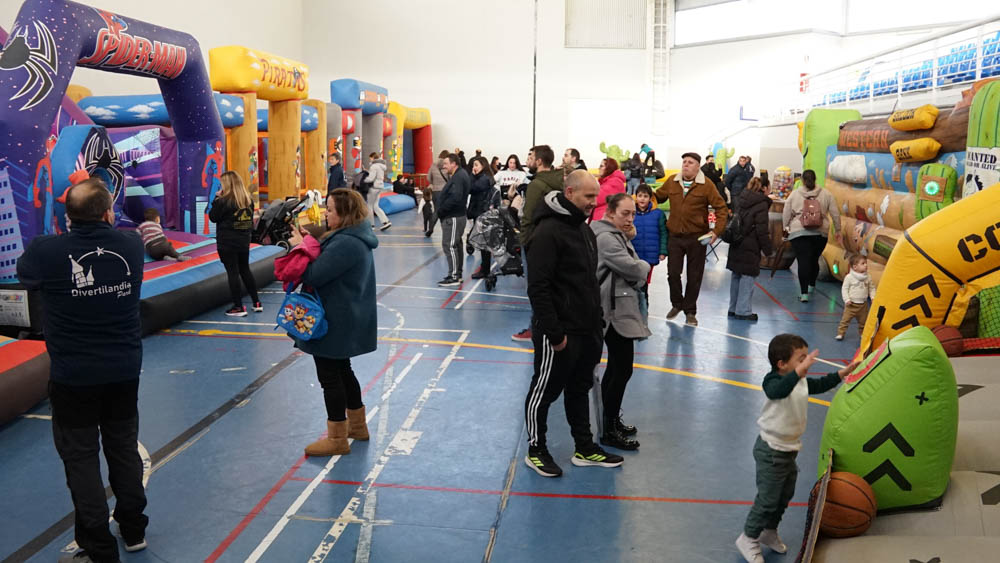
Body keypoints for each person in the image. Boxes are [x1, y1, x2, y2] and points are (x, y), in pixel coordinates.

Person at [17, 178, 149, 563]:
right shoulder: (131, 246)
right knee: (123, 448)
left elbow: (26, 275)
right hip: (123, 370)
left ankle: (98, 548)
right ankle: (134, 528)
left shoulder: (46, 251)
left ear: (68, 216)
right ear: (108, 213)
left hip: (74, 376)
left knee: (81, 458)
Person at [523, 170, 624, 478]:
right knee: (544, 390)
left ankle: (584, 448)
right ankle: (536, 450)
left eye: (596, 196)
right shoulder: (547, 231)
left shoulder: (583, 229)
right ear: (569, 193)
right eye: (588, 196)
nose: (594, 202)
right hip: (559, 331)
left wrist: (596, 323)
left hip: (587, 328)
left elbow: (587, 281)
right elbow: (538, 288)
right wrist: (554, 334)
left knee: (579, 388)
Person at [735, 334, 858, 563]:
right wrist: (799, 372)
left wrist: (843, 373)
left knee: (784, 495)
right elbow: (779, 391)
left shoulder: (800, 381)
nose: (807, 362)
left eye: (807, 357)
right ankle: (748, 537)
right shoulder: (773, 381)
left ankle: (769, 531)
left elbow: (819, 385)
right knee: (768, 499)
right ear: (782, 364)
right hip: (770, 451)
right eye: (802, 359)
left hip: (789, 450)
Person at [287, 189, 376, 457]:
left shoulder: (346, 243)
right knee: (343, 370)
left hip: (334, 320)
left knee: (329, 377)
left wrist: (298, 247)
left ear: (344, 214)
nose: (326, 213)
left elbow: (314, 275)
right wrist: (308, 241)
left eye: (330, 209)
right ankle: (357, 426)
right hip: (344, 316)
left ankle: (337, 438)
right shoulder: (353, 237)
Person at [591, 193, 650, 451]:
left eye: (633, 214)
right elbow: (634, 269)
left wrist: (628, 235)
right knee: (622, 369)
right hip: (613, 312)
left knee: (617, 368)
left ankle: (610, 421)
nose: (630, 219)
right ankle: (609, 429)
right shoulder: (606, 238)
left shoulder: (613, 235)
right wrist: (643, 266)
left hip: (617, 308)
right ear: (610, 213)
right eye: (625, 213)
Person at [654, 152, 729, 327]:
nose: (686, 165)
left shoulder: (706, 185)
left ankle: (690, 311)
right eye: (684, 162)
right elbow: (658, 197)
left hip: (697, 237)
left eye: (690, 162)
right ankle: (677, 304)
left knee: (694, 276)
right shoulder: (672, 181)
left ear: (697, 166)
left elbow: (721, 208)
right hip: (675, 236)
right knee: (673, 273)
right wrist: (642, 195)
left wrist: (716, 232)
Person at [513, 145, 563, 343]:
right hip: (555, 240)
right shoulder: (560, 181)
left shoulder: (536, 185)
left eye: (531, 157)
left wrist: (524, 243)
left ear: (539, 161)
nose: (528, 160)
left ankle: (536, 328)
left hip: (536, 242)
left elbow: (528, 217)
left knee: (536, 288)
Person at [782, 169, 841, 302]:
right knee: (814, 259)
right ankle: (811, 286)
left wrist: (785, 227)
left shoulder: (795, 194)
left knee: (803, 261)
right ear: (815, 179)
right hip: (820, 233)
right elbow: (835, 213)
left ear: (802, 180)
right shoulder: (827, 194)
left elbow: (786, 211)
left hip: (799, 232)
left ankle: (804, 294)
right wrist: (838, 230)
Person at [209, 171, 262, 317]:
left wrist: (216, 198)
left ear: (227, 185)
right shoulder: (248, 200)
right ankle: (256, 302)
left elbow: (213, 217)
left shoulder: (223, 201)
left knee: (233, 272)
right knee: (245, 269)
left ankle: (238, 306)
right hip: (243, 241)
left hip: (227, 242)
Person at [727, 177, 774, 321]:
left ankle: (733, 308)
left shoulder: (742, 198)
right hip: (750, 245)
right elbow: (762, 230)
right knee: (747, 277)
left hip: (736, 243)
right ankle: (743, 311)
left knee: (736, 275)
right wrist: (768, 250)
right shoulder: (761, 204)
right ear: (764, 188)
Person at [437, 153, 471, 286]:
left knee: (450, 245)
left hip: (453, 216)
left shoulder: (458, 177)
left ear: (454, 164)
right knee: (456, 244)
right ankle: (456, 273)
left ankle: (454, 275)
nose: (444, 166)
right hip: (455, 216)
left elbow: (456, 197)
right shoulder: (459, 175)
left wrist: (442, 210)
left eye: (446, 164)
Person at [468, 156, 499, 279]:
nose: (474, 168)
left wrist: (472, 175)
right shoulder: (483, 177)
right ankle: (484, 268)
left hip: (482, 212)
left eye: (476, 165)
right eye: (473, 165)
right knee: (483, 243)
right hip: (481, 212)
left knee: (484, 243)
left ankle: (485, 270)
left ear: (483, 166)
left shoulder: (484, 179)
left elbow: (471, 188)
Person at [631, 183, 667, 290]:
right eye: (640, 196)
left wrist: (663, 252)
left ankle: (644, 300)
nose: (642, 199)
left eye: (645, 196)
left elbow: (664, 233)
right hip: (633, 254)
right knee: (633, 282)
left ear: (650, 198)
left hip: (650, 255)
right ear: (636, 197)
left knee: (644, 284)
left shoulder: (658, 214)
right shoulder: (631, 213)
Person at [837, 254, 875, 341]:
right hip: (851, 305)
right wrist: (847, 299)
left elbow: (872, 288)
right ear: (855, 267)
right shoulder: (849, 277)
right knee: (845, 320)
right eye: (863, 263)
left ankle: (862, 333)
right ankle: (841, 333)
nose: (866, 265)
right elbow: (844, 289)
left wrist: (873, 297)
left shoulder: (868, 277)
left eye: (866, 263)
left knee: (863, 321)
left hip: (863, 305)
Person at [424, 150, 451, 236]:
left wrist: (434, 183)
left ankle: (430, 229)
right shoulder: (447, 165)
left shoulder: (433, 165)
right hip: (445, 191)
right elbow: (451, 178)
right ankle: (446, 231)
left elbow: (428, 178)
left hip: (435, 191)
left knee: (436, 211)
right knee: (445, 211)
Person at [592, 158, 625, 222]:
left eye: (601, 166)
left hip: (605, 222)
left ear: (608, 168)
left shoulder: (615, 182)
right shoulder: (606, 182)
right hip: (602, 221)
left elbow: (597, 198)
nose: (599, 168)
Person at [365, 152, 392, 231]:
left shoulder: (373, 166)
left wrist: (363, 180)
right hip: (379, 187)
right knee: (376, 206)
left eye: (370, 158)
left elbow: (371, 178)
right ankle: (386, 221)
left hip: (373, 187)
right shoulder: (381, 166)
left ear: (373, 158)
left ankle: (371, 225)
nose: (370, 159)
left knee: (369, 206)